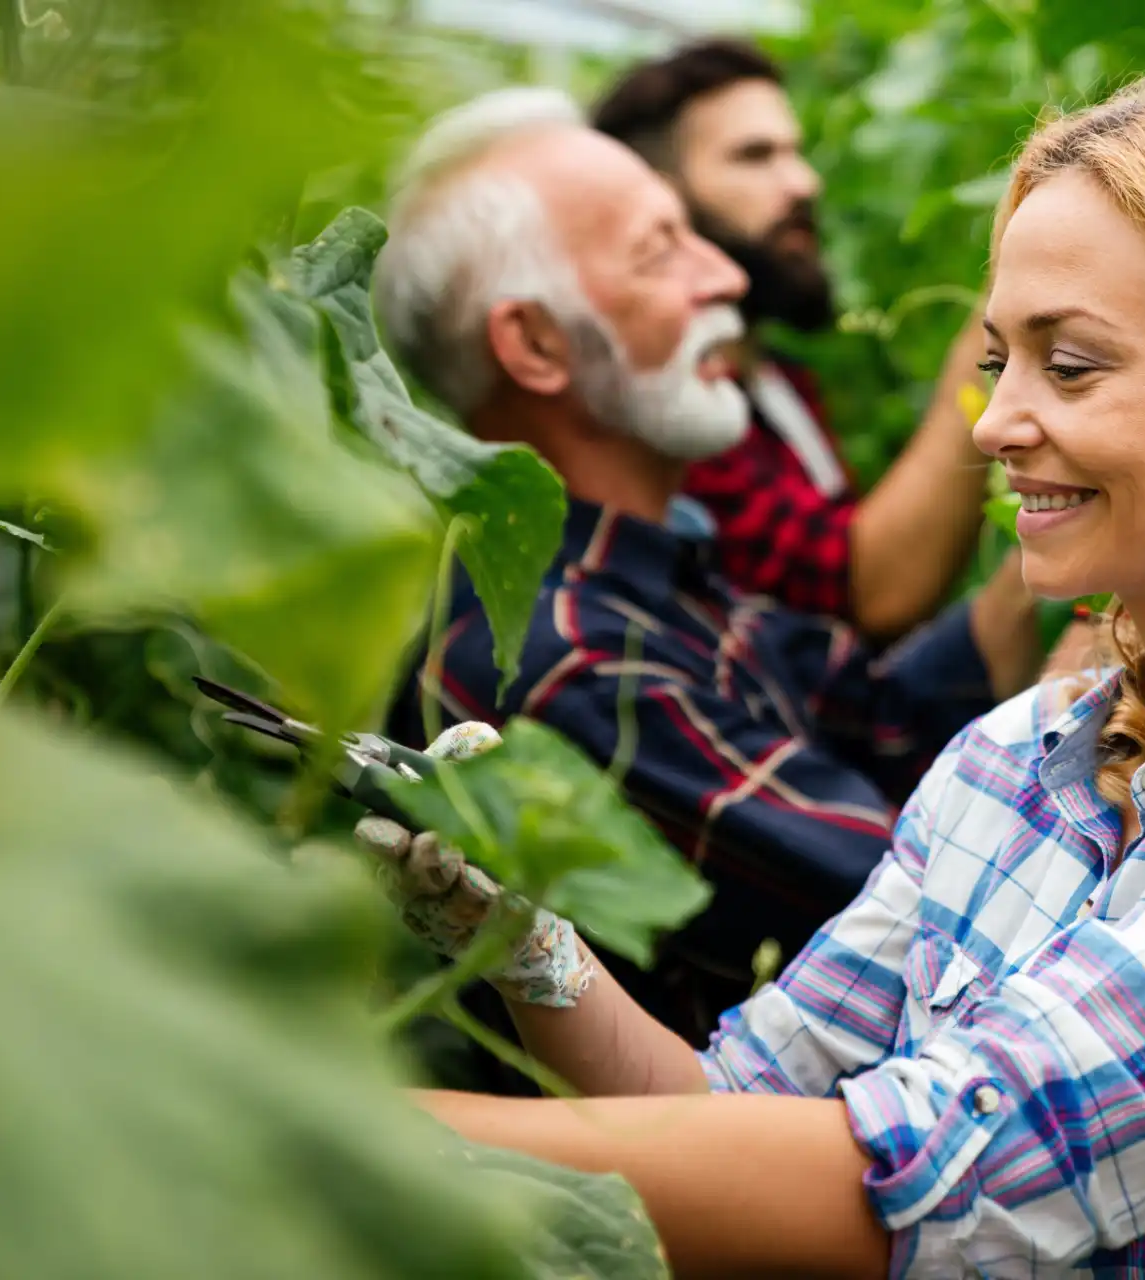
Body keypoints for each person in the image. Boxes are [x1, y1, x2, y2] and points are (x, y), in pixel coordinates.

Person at [370, 45, 1145, 1278]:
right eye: (1000, 359)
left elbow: (931, 1185)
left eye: (1070, 363)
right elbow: (729, 1094)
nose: (997, 422)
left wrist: (355, 1136)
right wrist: (542, 956)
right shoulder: (1006, 760)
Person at [369, 87, 1045, 1043]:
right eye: (661, 251)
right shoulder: (560, 662)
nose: (726, 275)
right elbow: (923, 903)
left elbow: (885, 712)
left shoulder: (652, 565)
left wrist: (1085, 547)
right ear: (533, 343)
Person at [591, 40, 1002, 640]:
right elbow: (867, 594)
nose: (804, 183)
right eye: (756, 157)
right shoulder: (667, 409)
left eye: (795, 153)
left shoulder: (776, 378)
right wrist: (993, 333)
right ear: (658, 197)